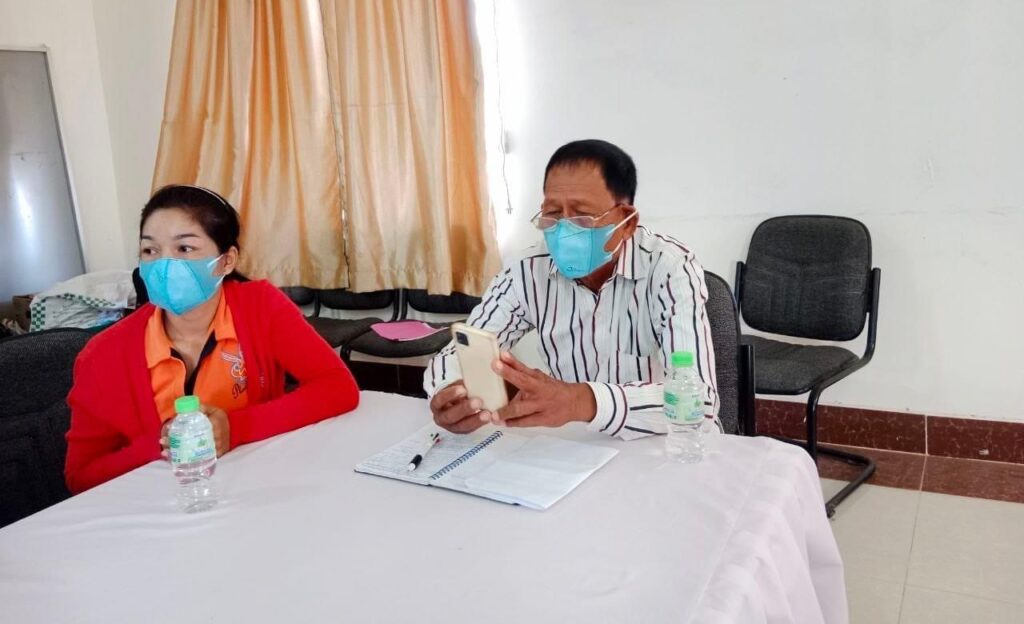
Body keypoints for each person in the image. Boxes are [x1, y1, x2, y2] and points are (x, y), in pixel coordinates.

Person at [65, 185, 360, 493]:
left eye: (184, 248)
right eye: (150, 251)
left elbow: (338, 387)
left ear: (226, 260)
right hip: (164, 502)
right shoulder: (103, 355)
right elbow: (81, 477)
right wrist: (161, 445)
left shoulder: (259, 307)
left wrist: (234, 428)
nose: (164, 265)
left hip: (259, 485)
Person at [426, 140, 717, 440]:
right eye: (553, 214)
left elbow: (701, 402)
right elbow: (462, 349)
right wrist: (451, 390)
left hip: (661, 444)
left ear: (626, 222)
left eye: (582, 216)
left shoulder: (669, 267)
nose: (564, 231)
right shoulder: (527, 271)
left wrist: (582, 401)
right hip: (574, 444)